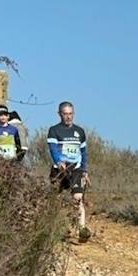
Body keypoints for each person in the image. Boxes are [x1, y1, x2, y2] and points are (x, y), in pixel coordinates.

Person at [47, 101, 90, 241]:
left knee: (78, 198)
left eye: (70, 114)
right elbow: (53, 149)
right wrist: (59, 161)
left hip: (75, 170)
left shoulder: (80, 131)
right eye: (65, 114)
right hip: (59, 170)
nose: (68, 117)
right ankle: (55, 229)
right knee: (55, 200)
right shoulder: (54, 130)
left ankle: (82, 230)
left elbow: (83, 152)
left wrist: (84, 170)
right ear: (59, 114)